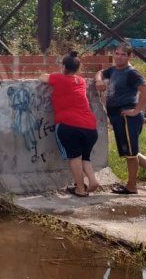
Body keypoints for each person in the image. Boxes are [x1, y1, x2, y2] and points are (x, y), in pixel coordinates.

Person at [94, 43, 146, 195]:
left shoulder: (131, 73)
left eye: (123, 54)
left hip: (127, 117)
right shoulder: (114, 70)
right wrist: (99, 81)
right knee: (131, 152)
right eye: (117, 53)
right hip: (118, 117)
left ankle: (131, 186)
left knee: (130, 154)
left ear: (130, 57)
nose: (119, 57)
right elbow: (100, 72)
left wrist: (136, 111)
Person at [39, 51, 101, 197]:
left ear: (63, 66)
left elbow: (42, 77)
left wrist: (56, 73)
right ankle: (92, 180)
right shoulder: (81, 81)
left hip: (69, 125)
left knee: (75, 157)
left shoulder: (58, 78)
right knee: (85, 157)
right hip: (90, 127)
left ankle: (80, 189)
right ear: (78, 68)